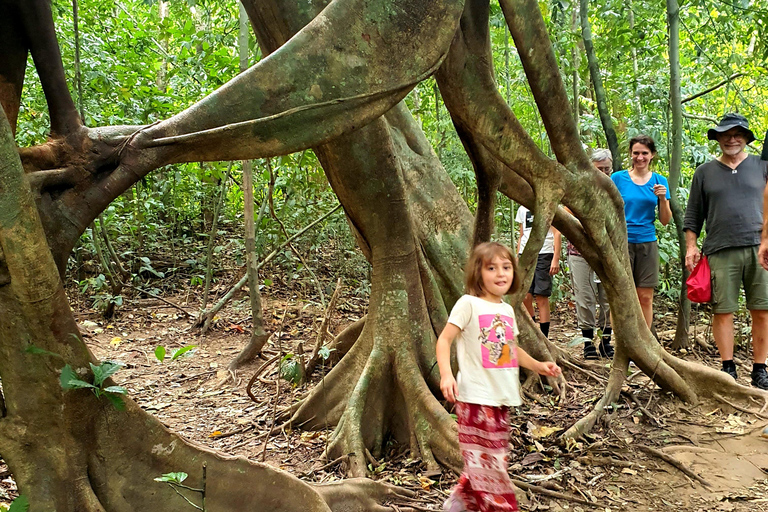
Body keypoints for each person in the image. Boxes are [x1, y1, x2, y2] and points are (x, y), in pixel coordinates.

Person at [436, 242, 562, 512]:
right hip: (475, 399)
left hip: (501, 399)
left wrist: (539, 366)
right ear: (477, 273)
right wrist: (446, 375)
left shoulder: (506, 310)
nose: (500, 274)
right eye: (491, 268)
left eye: (506, 267)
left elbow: (510, 350)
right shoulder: (468, 304)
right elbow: (444, 340)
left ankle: (460, 502)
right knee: (492, 467)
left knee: (491, 461)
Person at [684, 113, 768, 390]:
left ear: (745, 138)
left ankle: (760, 369)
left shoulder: (761, 165)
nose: (731, 139)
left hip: (759, 248)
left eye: (737, 134)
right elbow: (693, 215)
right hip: (720, 249)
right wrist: (691, 246)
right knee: (723, 311)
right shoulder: (704, 172)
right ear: (718, 138)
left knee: (762, 310)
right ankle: (728, 368)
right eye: (725, 134)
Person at [611, 135, 671, 328]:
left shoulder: (659, 181)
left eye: (644, 153)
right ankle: (621, 341)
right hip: (622, 242)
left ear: (652, 155)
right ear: (630, 154)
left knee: (645, 296)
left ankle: (644, 345)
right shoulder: (617, 178)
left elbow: (665, 220)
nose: (640, 157)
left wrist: (662, 199)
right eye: (636, 153)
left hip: (647, 242)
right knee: (621, 295)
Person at [568, 149, 613, 359]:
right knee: (585, 298)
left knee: (607, 299)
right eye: (599, 169)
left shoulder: (614, 190)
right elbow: (566, 214)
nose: (603, 173)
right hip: (580, 252)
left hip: (607, 253)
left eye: (606, 169)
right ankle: (588, 344)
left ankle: (606, 342)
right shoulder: (578, 188)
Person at [515, 206, 561, 338]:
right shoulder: (522, 209)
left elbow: (557, 233)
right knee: (525, 296)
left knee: (541, 297)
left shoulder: (548, 204)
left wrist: (555, 259)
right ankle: (533, 334)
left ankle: (544, 336)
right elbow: (522, 235)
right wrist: (518, 255)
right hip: (526, 253)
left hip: (544, 253)